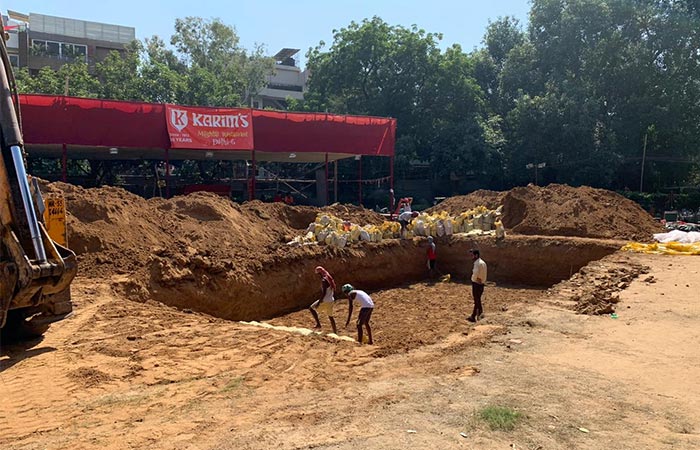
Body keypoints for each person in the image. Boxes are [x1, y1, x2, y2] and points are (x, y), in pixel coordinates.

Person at [309, 266, 338, 334]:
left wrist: (319, 301)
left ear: (320, 273)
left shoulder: (324, 280)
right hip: (331, 300)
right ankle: (335, 331)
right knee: (330, 316)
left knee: (311, 308)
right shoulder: (329, 278)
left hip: (325, 300)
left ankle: (318, 324)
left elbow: (324, 293)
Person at [467, 249, 487, 323]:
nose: (471, 257)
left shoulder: (477, 264)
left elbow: (475, 274)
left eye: (472, 255)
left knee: (477, 300)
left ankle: (480, 312)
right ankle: (474, 315)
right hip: (481, 284)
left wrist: (473, 279)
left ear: (476, 255)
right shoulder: (483, 263)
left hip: (476, 284)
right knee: (477, 299)